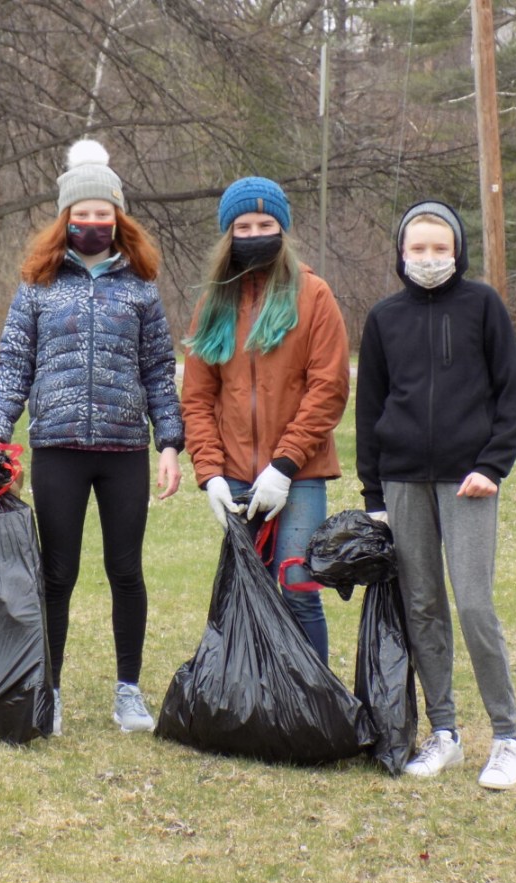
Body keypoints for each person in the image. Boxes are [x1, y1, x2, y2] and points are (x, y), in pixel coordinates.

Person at [0, 139, 184, 736]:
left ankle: (129, 692)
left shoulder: (141, 286)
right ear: (65, 218)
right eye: (82, 213)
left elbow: (158, 370)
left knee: (126, 571)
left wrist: (169, 443)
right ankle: (49, 690)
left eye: (103, 213)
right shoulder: (37, 285)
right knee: (57, 574)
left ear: (117, 219)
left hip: (124, 451)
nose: (92, 222)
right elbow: (13, 366)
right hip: (58, 449)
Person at [355, 200, 516, 789]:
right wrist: (374, 493)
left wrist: (493, 465)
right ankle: (444, 732)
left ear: (457, 251)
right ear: (401, 253)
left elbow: (511, 395)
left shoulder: (483, 306)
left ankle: (506, 737)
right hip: (402, 481)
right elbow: (370, 409)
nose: (429, 258)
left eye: (440, 248)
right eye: (418, 248)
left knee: (474, 605)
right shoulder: (384, 318)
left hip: (469, 481)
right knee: (422, 605)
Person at [181, 176, 350, 665]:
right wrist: (210, 473)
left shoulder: (314, 295)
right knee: (246, 594)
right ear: (228, 233)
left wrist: (284, 465)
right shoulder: (213, 304)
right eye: (243, 226)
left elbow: (328, 388)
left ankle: (312, 697)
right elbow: (197, 398)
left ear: (282, 229)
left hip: (300, 474)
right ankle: (254, 695)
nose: (255, 234)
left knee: (298, 587)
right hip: (234, 473)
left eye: (265, 225)